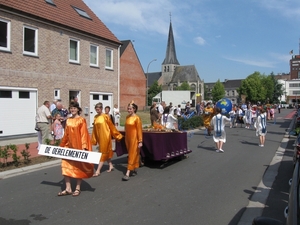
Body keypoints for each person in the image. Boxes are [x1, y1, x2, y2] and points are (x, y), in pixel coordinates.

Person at [57, 102, 94, 197]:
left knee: (78, 167)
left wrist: (84, 147)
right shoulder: (68, 120)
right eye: (71, 108)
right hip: (68, 147)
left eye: (74, 108)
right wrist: (61, 146)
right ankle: (68, 188)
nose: (72, 110)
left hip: (78, 147)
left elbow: (84, 134)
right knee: (65, 165)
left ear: (78, 109)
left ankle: (78, 188)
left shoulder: (81, 120)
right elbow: (66, 135)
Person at [91, 103, 123, 177]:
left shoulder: (105, 116)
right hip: (99, 137)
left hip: (105, 136)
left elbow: (111, 126)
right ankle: (110, 165)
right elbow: (94, 129)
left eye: (98, 109)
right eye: (96, 109)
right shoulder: (95, 117)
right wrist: (94, 138)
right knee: (105, 151)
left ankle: (98, 170)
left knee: (102, 152)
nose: (97, 110)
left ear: (101, 108)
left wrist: (117, 135)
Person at [122, 101, 143, 181]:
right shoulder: (127, 117)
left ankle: (127, 172)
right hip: (128, 138)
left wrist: (140, 141)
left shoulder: (137, 118)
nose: (129, 110)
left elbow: (139, 130)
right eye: (128, 109)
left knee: (132, 153)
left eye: (130, 109)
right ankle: (134, 166)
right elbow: (126, 128)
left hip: (135, 138)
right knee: (133, 153)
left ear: (134, 109)